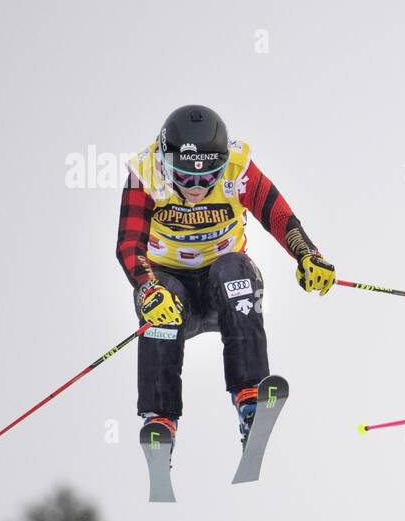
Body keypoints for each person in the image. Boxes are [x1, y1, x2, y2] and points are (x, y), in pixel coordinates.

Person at [115, 104, 336, 449]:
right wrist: (148, 288)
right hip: (171, 285)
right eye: (185, 177)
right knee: (163, 297)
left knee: (235, 270)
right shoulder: (144, 173)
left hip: (222, 288)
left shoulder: (238, 168)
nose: (196, 188)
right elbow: (129, 244)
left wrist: (308, 255)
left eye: (208, 177)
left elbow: (279, 216)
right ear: (164, 160)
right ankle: (160, 418)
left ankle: (250, 397)